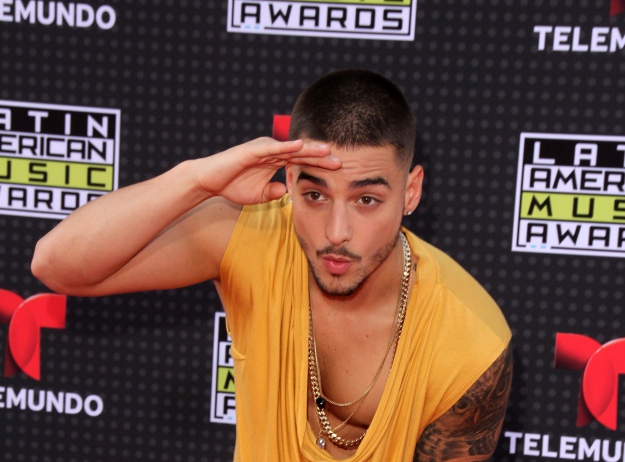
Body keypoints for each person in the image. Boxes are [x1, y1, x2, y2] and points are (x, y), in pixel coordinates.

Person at [32, 69, 512, 461]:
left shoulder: (469, 346)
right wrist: (196, 180)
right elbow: (56, 264)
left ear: (410, 192)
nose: (336, 232)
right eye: (315, 195)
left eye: (366, 199)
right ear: (289, 176)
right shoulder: (255, 234)